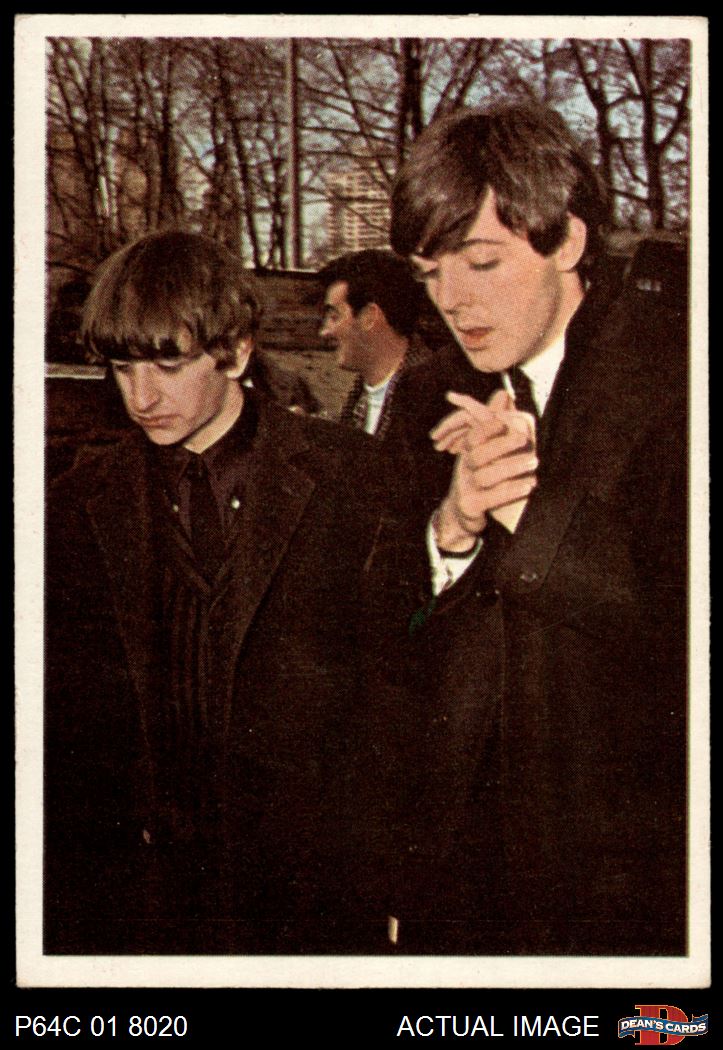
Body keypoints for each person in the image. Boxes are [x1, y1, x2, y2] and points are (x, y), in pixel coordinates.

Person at [378, 103, 687, 955]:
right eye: (429, 272)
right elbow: (378, 637)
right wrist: (451, 531)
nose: (451, 300)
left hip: (627, 881)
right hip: (459, 877)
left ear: (568, 242)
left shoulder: (675, 383)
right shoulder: (427, 392)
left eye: (481, 261)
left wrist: (523, 508)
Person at [44, 230, 401, 955]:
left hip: (314, 898)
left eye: (168, 365)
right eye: (122, 368)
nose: (142, 397)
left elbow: (398, 692)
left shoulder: (357, 479)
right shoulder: (76, 503)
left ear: (235, 352)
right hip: (140, 906)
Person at [318, 249, 428, 438]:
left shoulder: (431, 402)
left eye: (335, 316)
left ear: (369, 317)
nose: (324, 331)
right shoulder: (358, 400)